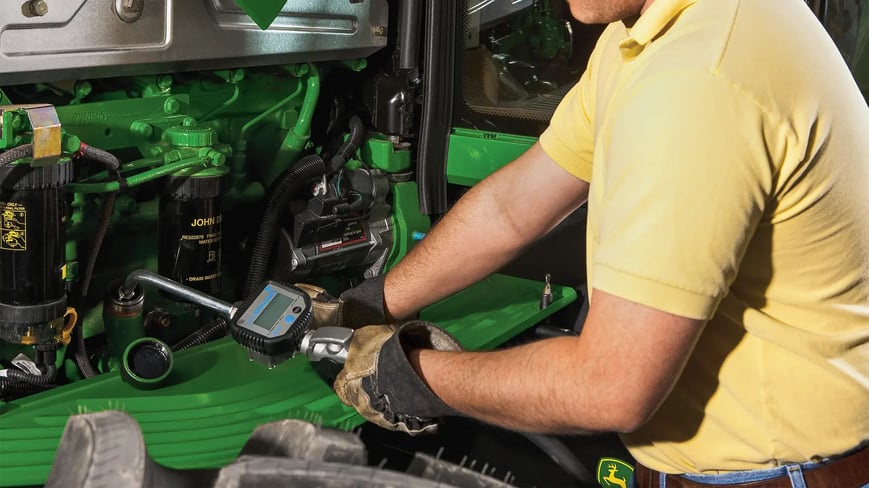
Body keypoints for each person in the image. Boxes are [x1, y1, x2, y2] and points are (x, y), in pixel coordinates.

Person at [311, 0, 869, 486]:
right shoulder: (650, 36)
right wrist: (368, 304)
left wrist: (410, 378)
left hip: (777, 475)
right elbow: (513, 207)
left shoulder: (700, 78)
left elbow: (610, 385)